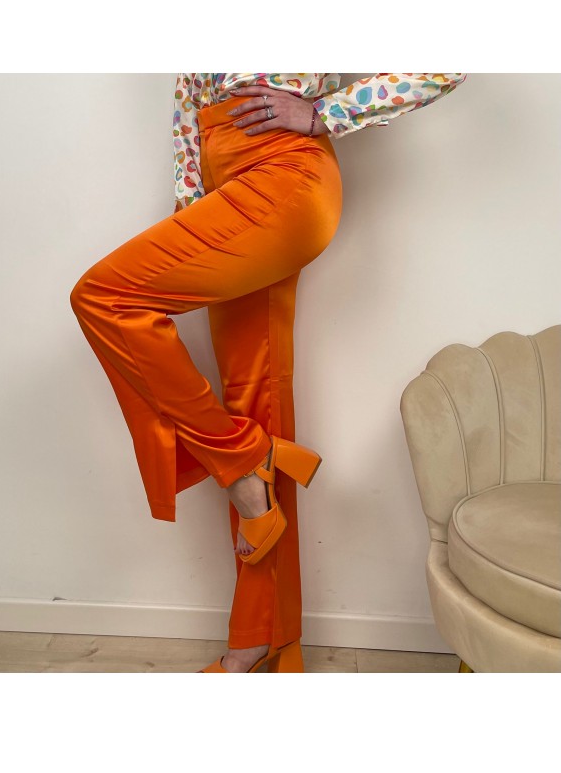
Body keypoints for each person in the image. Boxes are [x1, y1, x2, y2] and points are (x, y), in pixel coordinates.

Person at [70, 72, 467, 673]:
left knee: (105, 297)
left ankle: (238, 460)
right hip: (225, 191)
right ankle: (262, 643)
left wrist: (326, 113)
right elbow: (189, 105)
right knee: (255, 399)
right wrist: (192, 205)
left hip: (285, 175)